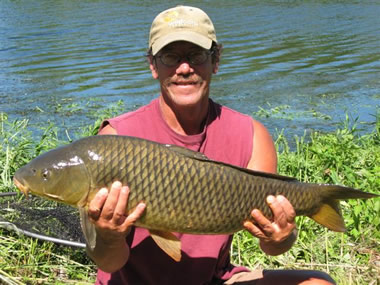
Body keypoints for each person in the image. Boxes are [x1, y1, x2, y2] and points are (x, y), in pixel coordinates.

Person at [86, 5, 335, 285]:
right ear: (153, 65)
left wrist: (282, 235)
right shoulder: (115, 139)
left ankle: (319, 200)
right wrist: (109, 235)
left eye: (196, 55)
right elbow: (108, 262)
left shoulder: (251, 135)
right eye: (170, 56)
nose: (184, 68)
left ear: (216, 59)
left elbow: (272, 246)